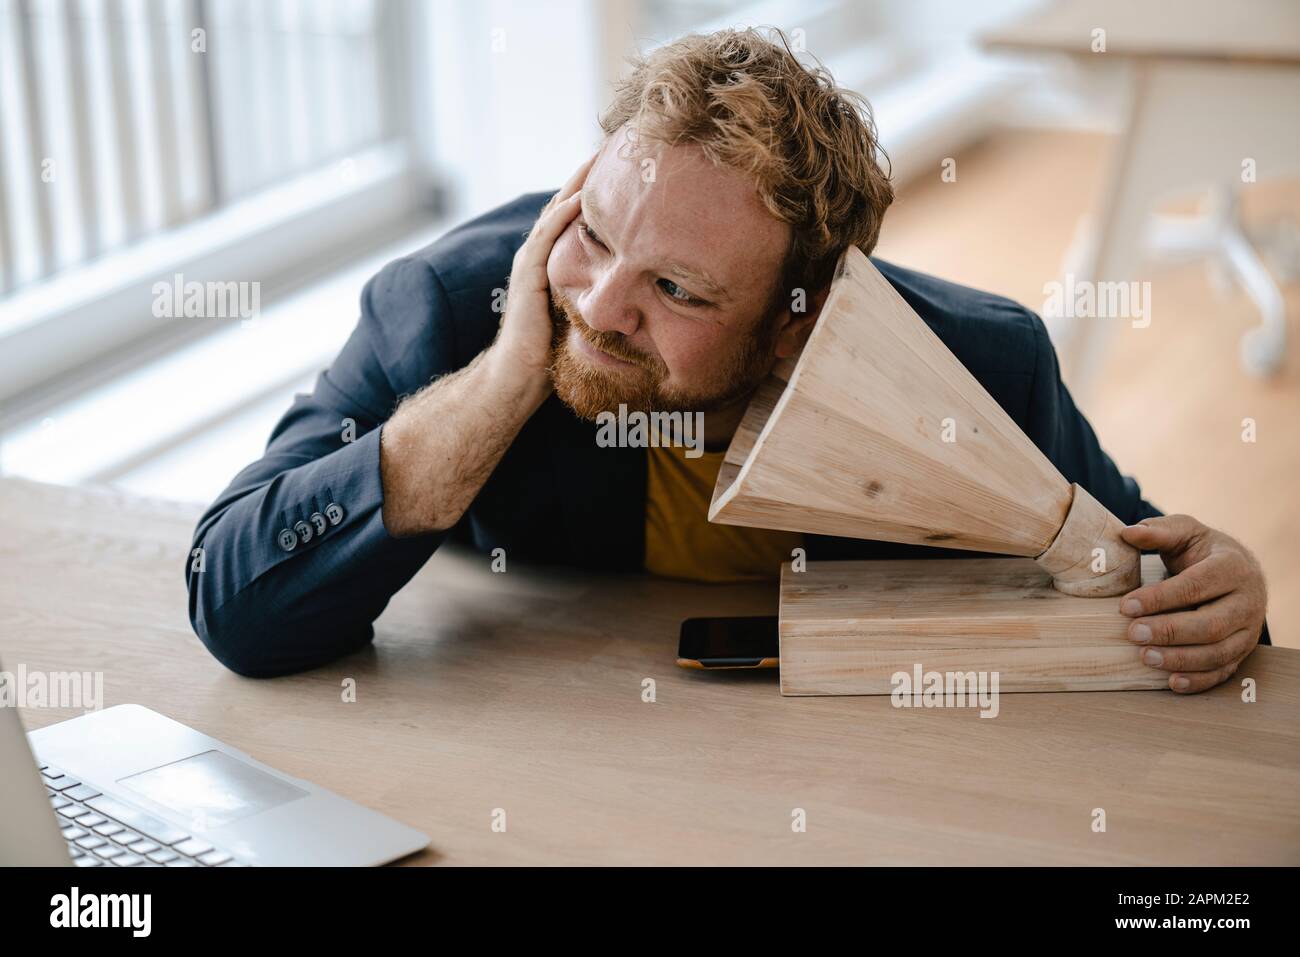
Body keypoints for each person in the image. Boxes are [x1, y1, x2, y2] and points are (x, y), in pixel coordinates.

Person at [186, 28, 1269, 688]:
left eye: (677, 289)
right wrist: (499, 389)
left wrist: (1226, 595)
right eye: (596, 234)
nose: (599, 309)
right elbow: (232, 601)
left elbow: (1159, 594)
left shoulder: (979, 368)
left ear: (799, 318)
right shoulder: (453, 312)